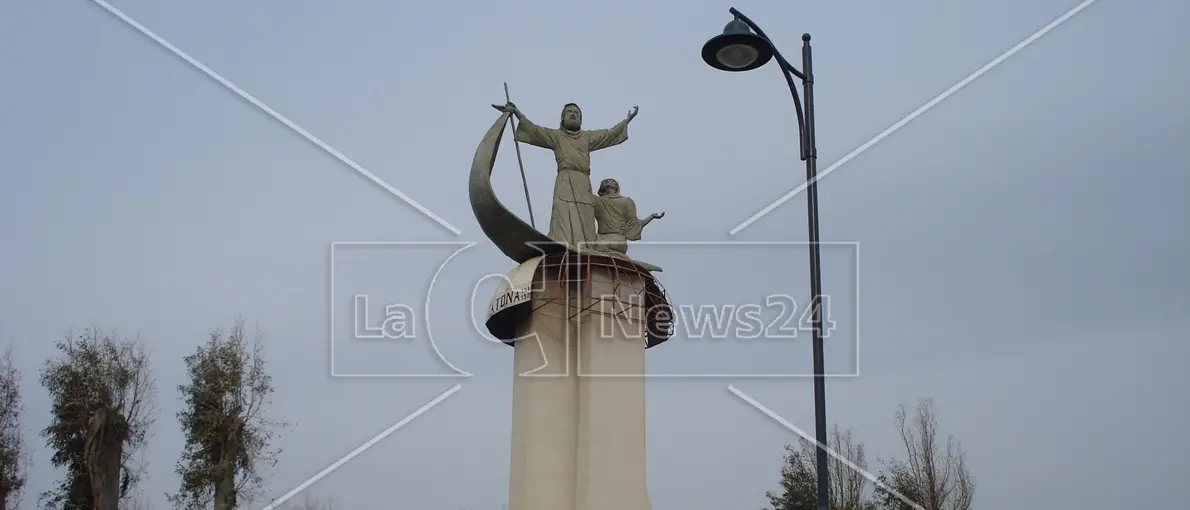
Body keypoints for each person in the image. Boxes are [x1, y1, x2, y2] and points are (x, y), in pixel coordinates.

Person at [491, 101, 639, 249]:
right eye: (570, 112)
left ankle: (586, 249)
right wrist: (517, 113)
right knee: (562, 215)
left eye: (577, 113)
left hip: (583, 182)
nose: (573, 114)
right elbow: (534, 130)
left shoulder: (587, 137)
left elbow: (609, 134)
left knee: (585, 216)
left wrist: (626, 121)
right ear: (563, 118)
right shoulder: (556, 136)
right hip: (565, 181)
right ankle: (562, 247)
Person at [591, 178, 664, 255]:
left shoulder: (599, 201)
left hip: (610, 241)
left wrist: (651, 217)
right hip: (611, 240)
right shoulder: (599, 201)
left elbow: (635, 224)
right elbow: (636, 224)